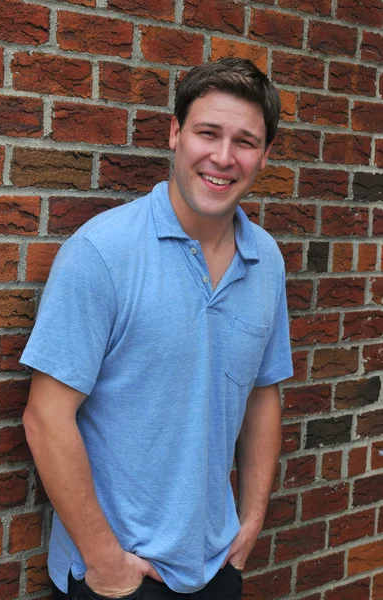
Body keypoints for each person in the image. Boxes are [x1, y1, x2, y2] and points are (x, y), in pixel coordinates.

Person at [21, 58, 293, 600]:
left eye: (244, 141)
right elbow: (46, 416)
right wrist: (103, 560)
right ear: (174, 133)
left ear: (264, 156)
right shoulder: (103, 253)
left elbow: (263, 395)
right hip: (120, 576)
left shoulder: (267, 260)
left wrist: (253, 517)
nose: (222, 156)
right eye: (207, 133)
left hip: (217, 566)